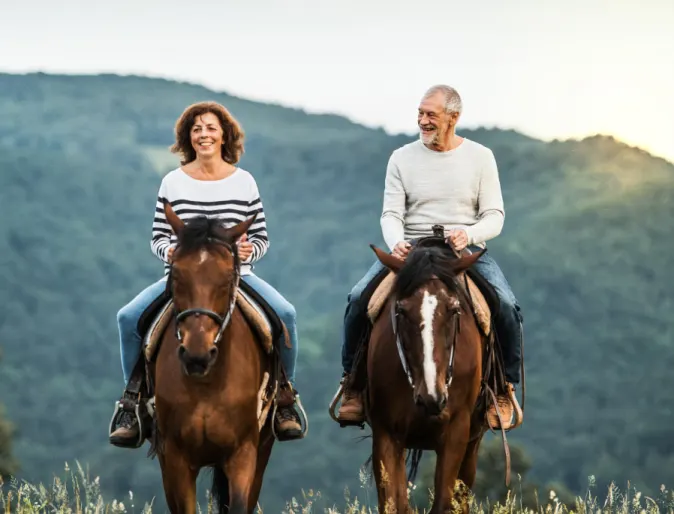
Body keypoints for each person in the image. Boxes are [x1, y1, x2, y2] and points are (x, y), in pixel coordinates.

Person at [109, 101, 302, 446]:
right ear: (188, 137)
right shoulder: (172, 182)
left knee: (285, 314)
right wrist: (169, 251)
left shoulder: (244, 182)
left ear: (225, 134)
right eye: (196, 129)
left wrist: (247, 252)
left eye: (211, 128)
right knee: (128, 317)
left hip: (234, 277)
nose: (204, 134)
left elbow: (260, 238)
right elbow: (157, 237)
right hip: (183, 277)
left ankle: (284, 399)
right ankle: (133, 401)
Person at [337, 85, 524, 430]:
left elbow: (494, 215)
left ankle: (503, 389)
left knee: (506, 305)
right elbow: (391, 214)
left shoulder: (481, 157)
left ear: (453, 118)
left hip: (459, 250)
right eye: (420, 114)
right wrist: (396, 242)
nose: (423, 121)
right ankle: (353, 386)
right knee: (358, 298)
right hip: (412, 249)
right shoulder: (401, 158)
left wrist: (469, 234)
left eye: (430, 115)